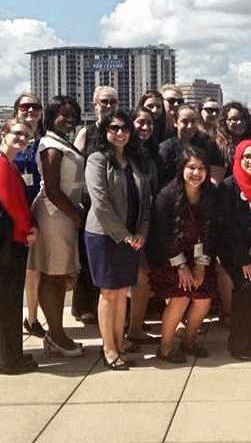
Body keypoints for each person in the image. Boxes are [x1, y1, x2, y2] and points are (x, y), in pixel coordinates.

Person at [84, 111, 151, 370]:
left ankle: (120, 344)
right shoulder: (97, 159)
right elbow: (100, 203)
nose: (120, 133)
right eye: (114, 128)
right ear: (105, 131)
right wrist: (125, 235)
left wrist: (141, 232)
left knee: (123, 292)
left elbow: (145, 201)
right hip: (105, 235)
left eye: (125, 128)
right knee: (109, 293)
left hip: (132, 237)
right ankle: (109, 348)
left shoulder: (135, 160)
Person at [148, 146, 218, 363]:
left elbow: (211, 233)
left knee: (204, 298)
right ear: (181, 169)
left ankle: (189, 341)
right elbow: (163, 236)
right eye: (191, 168)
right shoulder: (166, 195)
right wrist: (181, 266)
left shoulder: (211, 195)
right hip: (170, 257)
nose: (196, 173)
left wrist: (200, 265)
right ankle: (165, 347)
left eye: (201, 168)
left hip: (200, 255)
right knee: (180, 297)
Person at [29, 95, 86, 357]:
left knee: (58, 276)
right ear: (51, 117)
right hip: (55, 216)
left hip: (64, 214)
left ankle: (55, 332)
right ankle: (56, 334)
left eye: (74, 114)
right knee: (53, 277)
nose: (70, 119)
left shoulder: (62, 142)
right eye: (64, 114)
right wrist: (76, 216)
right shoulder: (51, 146)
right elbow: (52, 190)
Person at [0, 118, 40, 374]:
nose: (22, 139)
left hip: (12, 238)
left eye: (26, 135)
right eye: (17, 133)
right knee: (8, 299)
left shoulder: (7, 163)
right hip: (9, 239)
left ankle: (6, 354)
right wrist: (28, 230)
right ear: (3, 134)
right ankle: (6, 360)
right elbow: (11, 203)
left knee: (10, 298)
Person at [0, 93, 45, 339]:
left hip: (34, 213)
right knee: (10, 286)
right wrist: (25, 227)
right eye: (25, 106)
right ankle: (7, 346)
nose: (30, 110)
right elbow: (4, 192)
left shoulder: (42, 141)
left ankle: (31, 319)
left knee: (33, 272)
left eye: (35, 106)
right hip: (11, 222)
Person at [217, 141, 251, 360]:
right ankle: (239, 344)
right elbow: (230, 227)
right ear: (238, 160)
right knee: (245, 289)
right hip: (234, 252)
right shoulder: (228, 187)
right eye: (246, 157)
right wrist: (244, 260)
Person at [72, 85, 120, 323]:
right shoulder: (86, 132)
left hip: (117, 204)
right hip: (90, 202)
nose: (109, 106)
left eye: (113, 102)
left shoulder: (120, 130)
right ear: (95, 104)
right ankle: (85, 306)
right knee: (88, 258)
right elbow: (74, 165)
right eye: (104, 102)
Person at [125, 106, 161, 346]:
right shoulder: (120, 154)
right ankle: (122, 331)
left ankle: (135, 328)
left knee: (143, 278)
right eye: (140, 122)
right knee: (127, 282)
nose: (145, 127)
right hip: (125, 227)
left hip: (145, 226)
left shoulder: (150, 154)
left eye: (149, 123)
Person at [158, 103, 223, 186]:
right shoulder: (166, 148)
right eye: (184, 121)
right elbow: (163, 179)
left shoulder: (207, 144)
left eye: (193, 121)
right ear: (175, 122)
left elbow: (217, 168)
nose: (189, 126)